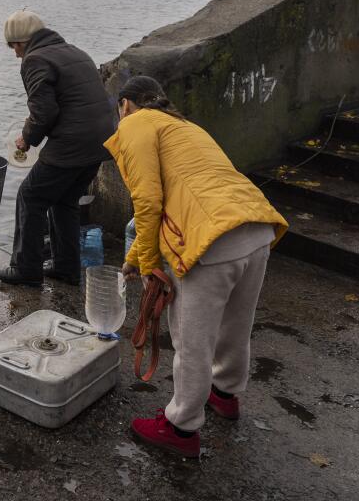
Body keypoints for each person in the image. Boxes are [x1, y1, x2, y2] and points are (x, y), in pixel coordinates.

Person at [106, 76, 288, 457]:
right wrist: (133, 259)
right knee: (236, 328)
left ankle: (181, 427)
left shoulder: (135, 123)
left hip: (209, 243)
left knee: (192, 339)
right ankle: (225, 395)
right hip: (255, 229)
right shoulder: (185, 126)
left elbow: (148, 202)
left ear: (125, 104)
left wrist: (149, 266)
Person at [0, 10, 115, 287]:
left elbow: (44, 112)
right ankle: (66, 267)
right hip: (101, 142)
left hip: (73, 143)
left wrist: (27, 138)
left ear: (24, 42)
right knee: (64, 201)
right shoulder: (76, 51)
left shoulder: (36, 60)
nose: (16, 55)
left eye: (15, 47)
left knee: (30, 196)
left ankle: (26, 269)